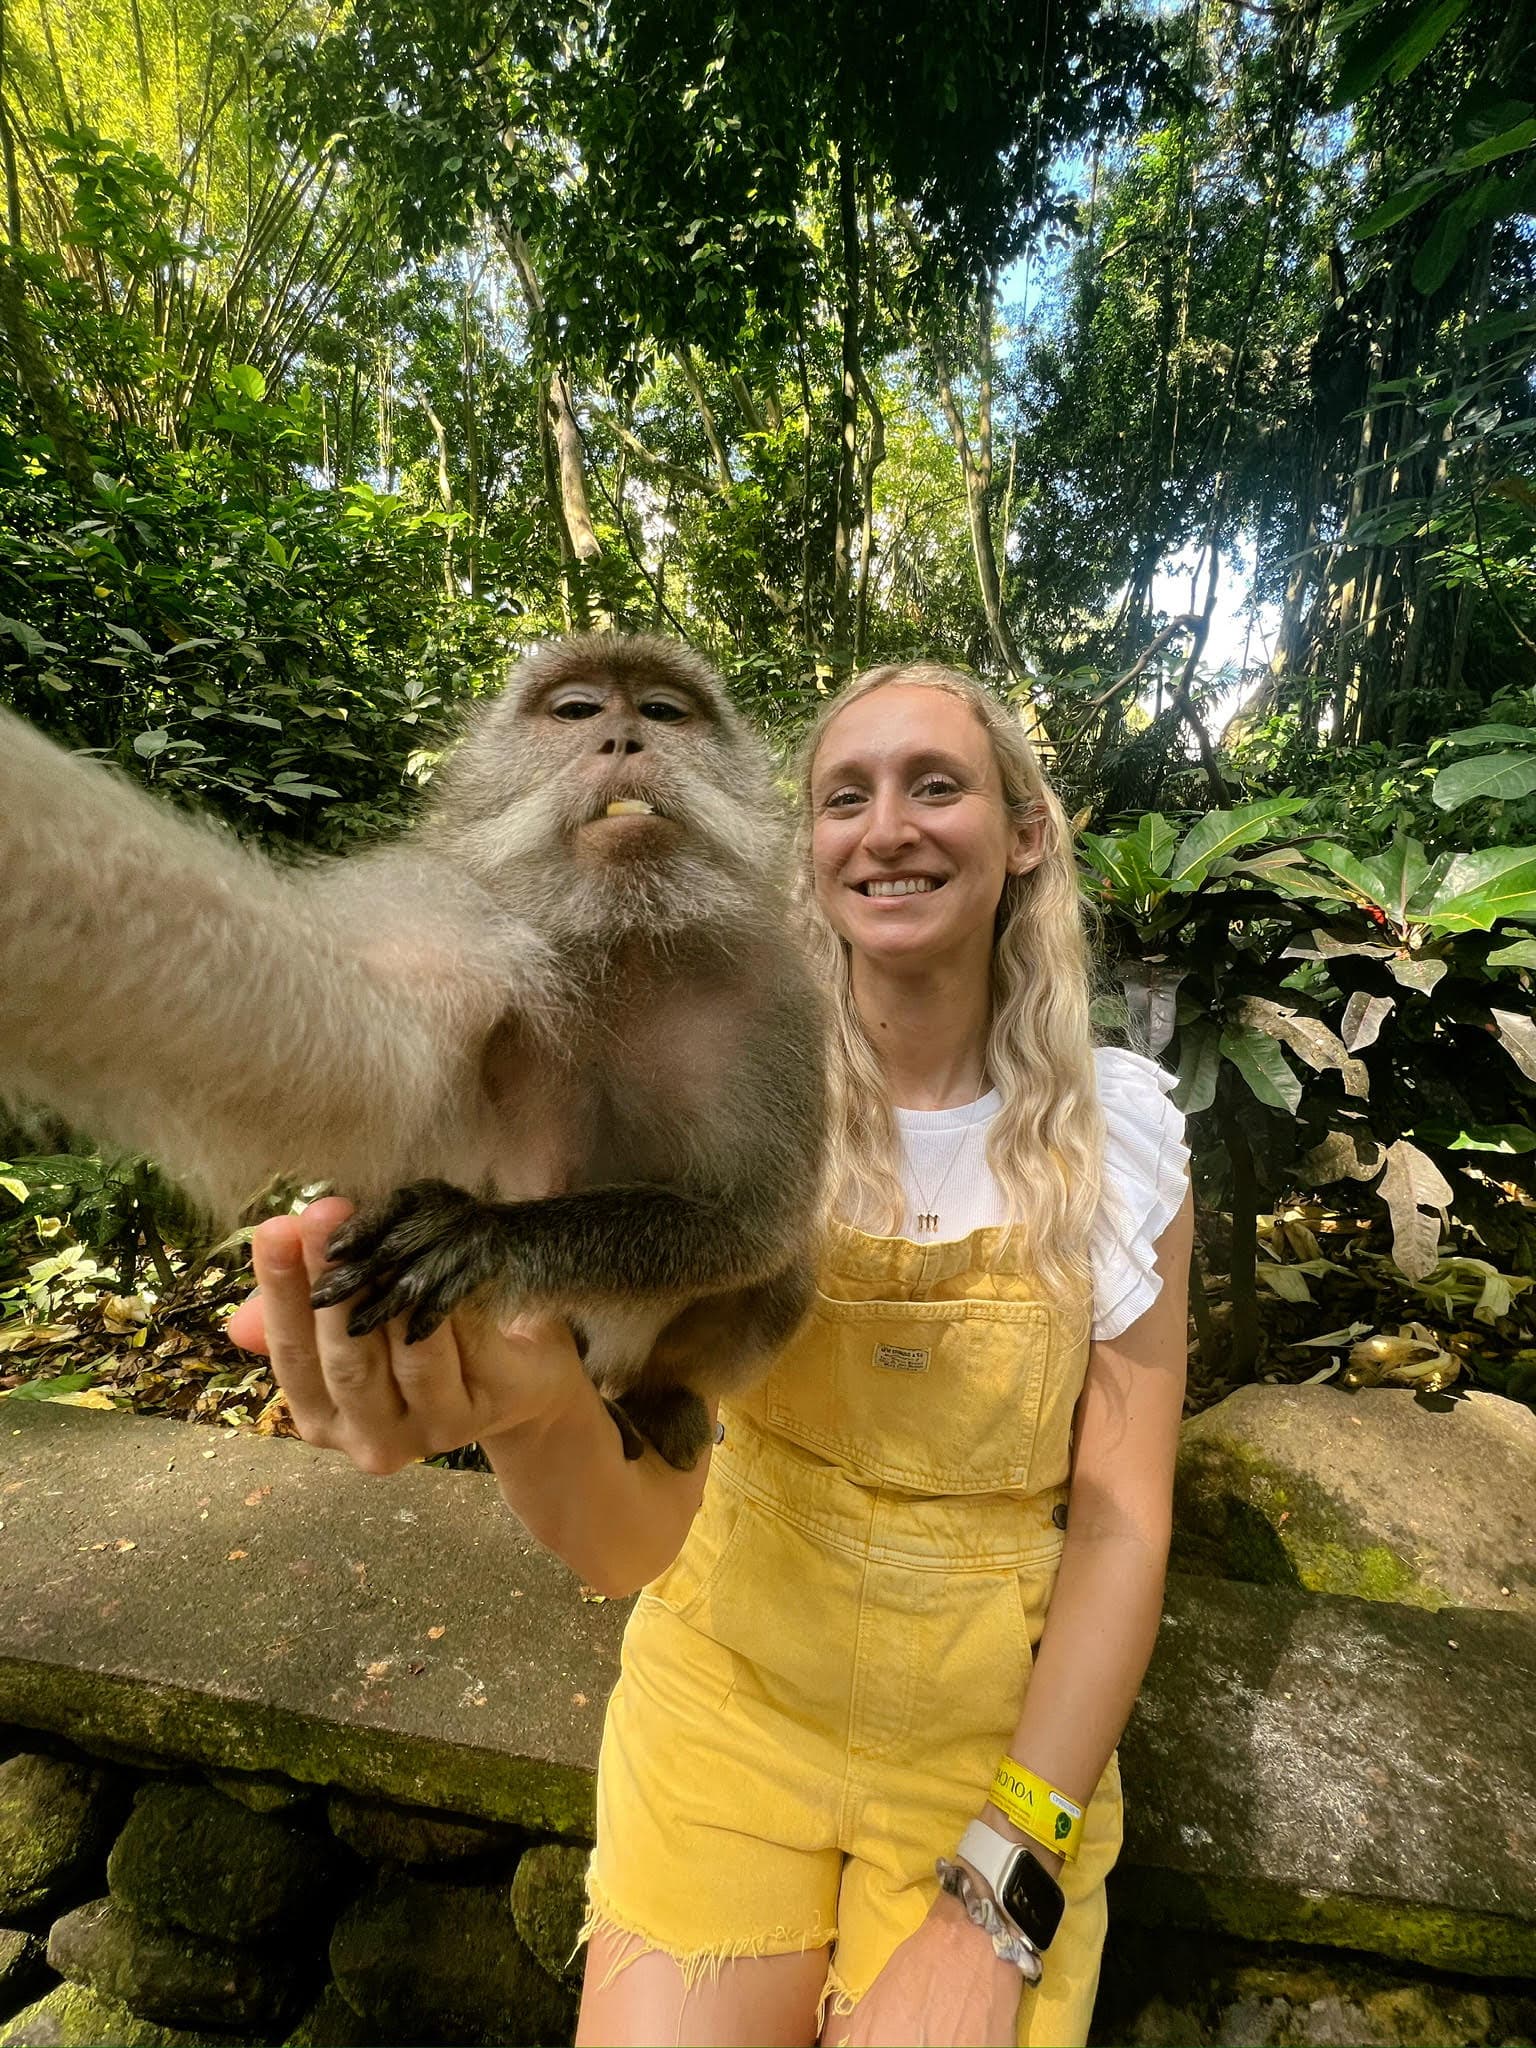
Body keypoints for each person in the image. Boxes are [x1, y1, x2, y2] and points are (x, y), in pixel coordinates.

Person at [231, 660, 1191, 2048]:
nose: (889, 828)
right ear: (804, 843)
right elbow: (634, 1543)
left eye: (938, 786)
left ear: (1024, 831)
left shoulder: (1125, 1137)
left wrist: (1009, 1877)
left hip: (989, 1753)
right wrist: (526, 1402)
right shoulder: (701, 1053)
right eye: (846, 796)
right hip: (725, 1700)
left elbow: (1120, 1532)